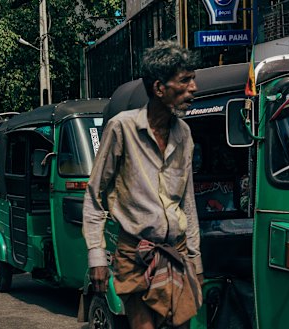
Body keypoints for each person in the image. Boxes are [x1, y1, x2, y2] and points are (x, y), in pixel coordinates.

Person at [83, 41, 203, 329]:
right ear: (159, 88)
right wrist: (97, 257)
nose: (193, 88)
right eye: (185, 80)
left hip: (176, 253)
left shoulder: (184, 134)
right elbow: (95, 196)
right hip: (134, 255)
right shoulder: (122, 128)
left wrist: (196, 263)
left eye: (193, 78)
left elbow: (187, 203)